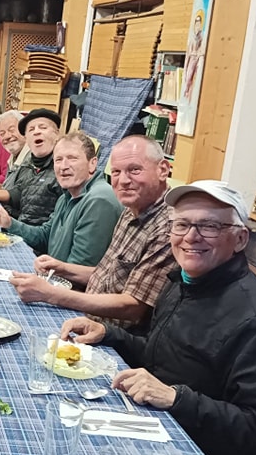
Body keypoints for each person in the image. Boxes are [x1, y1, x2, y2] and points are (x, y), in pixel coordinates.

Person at [62, 181, 256, 455]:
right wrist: (109, 333)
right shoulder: (184, 283)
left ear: (240, 238)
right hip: (163, 434)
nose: (190, 236)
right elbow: (164, 360)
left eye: (210, 226)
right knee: (60, 442)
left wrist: (175, 398)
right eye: (182, 224)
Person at [12, 135, 176, 332]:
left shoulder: (169, 227)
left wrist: (49, 294)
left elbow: (133, 307)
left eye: (134, 170)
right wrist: (61, 267)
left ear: (163, 170)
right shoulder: (131, 208)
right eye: (116, 171)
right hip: (86, 318)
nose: (123, 181)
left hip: (112, 337)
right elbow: (105, 275)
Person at [0, 132, 121, 269]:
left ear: (92, 164)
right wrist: (9, 223)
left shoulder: (99, 200)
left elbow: (78, 269)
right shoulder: (66, 197)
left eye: (72, 158)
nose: (63, 166)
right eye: (58, 160)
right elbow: (45, 237)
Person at [0, 108, 62, 227]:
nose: (7, 136)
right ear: (27, 136)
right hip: (19, 226)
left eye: (42, 127)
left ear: (57, 133)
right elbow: (16, 193)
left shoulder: (60, 168)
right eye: (2, 133)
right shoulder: (29, 162)